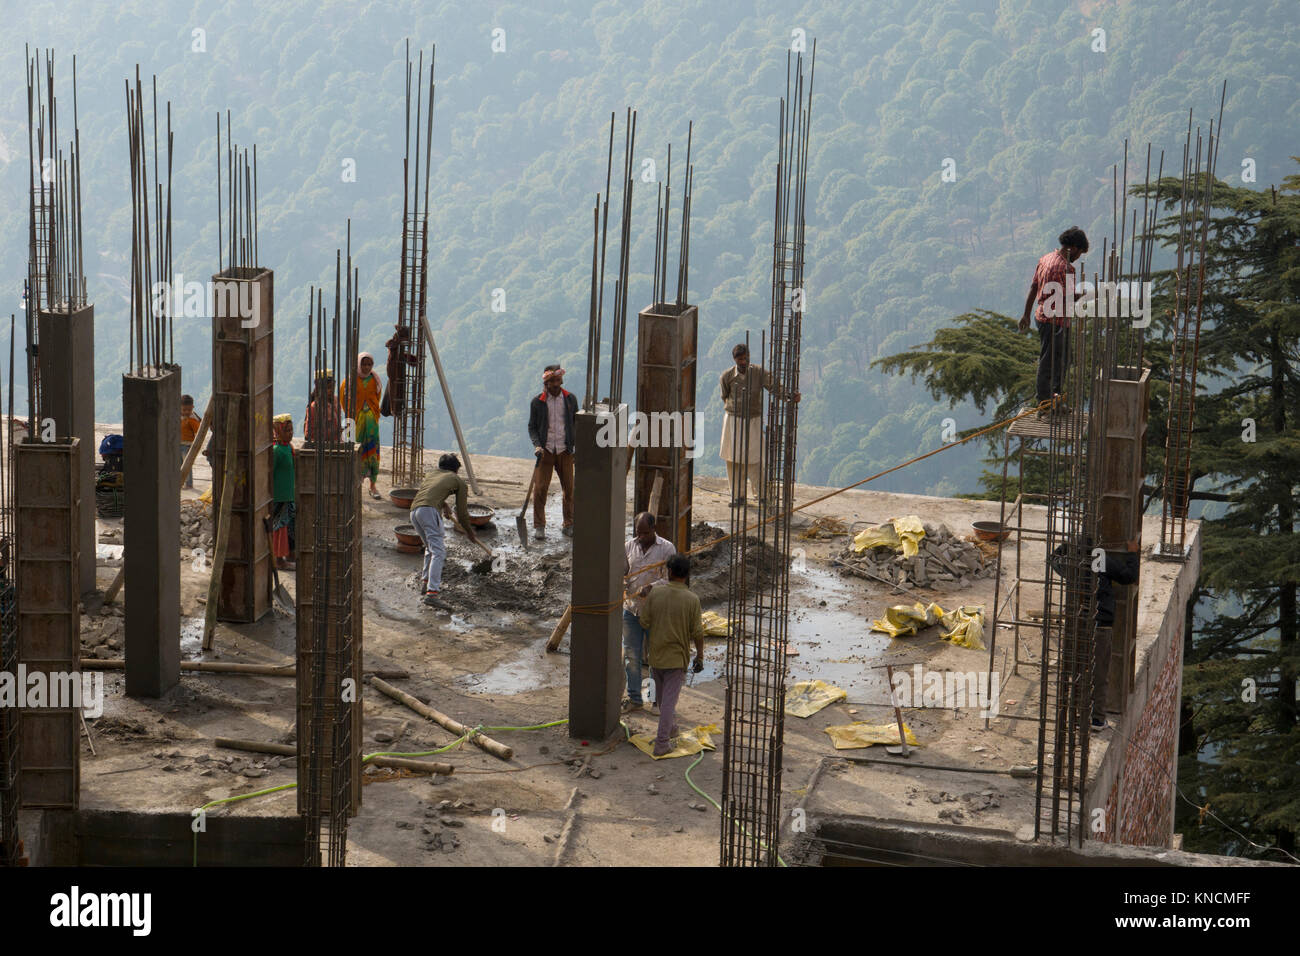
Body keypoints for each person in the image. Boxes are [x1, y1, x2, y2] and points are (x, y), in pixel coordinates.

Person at [1050, 533, 1140, 732]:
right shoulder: (1101, 560)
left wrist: (1065, 546)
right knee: (1099, 673)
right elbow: (1129, 577)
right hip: (1100, 625)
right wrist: (1132, 554)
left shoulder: (1070, 565)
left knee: (1075, 669)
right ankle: (1096, 719)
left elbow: (1053, 559)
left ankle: (1071, 715)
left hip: (1077, 623)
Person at [639, 553, 705, 757]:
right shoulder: (692, 599)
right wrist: (700, 657)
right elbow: (698, 633)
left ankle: (672, 728)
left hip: (656, 656)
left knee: (661, 698)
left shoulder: (656, 594)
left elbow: (644, 622)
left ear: (669, 572)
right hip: (676, 659)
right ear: (686, 575)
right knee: (668, 702)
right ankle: (662, 743)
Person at [1019, 226, 1090, 418]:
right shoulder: (1065, 268)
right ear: (1073, 247)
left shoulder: (1046, 259)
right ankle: (1045, 405)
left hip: (1043, 317)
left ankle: (1053, 402)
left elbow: (1034, 286)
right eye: (1079, 253)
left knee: (1059, 360)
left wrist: (1026, 314)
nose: (1078, 258)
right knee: (1051, 364)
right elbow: (1069, 297)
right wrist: (1088, 294)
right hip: (1055, 322)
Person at [719, 344, 799, 506]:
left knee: (755, 459)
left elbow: (775, 387)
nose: (743, 361)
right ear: (735, 360)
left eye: (745, 357)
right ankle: (738, 496)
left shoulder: (758, 372)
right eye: (740, 359)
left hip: (752, 420)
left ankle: (762, 495)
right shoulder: (727, 376)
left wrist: (789, 397)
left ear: (749, 356)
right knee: (733, 459)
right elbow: (725, 396)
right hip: (733, 420)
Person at [409, 453, 481, 611]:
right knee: (439, 552)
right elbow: (462, 512)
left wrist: (445, 506)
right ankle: (432, 594)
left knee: (430, 548)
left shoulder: (432, 474)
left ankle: (425, 583)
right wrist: (469, 531)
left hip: (414, 511)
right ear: (455, 470)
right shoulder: (458, 481)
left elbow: (432, 493)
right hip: (428, 512)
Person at [622, 512, 677, 714]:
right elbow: (624, 572)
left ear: (654, 529)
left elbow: (671, 579)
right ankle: (635, 698)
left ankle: (654, 700)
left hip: (656, 612)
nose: (641, 537)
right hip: (631, 609)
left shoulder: (667, 548)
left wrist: (651, 587)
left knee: (656, 658)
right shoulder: (629, 546)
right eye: (639, 533)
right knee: (631, 656)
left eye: (645, 533)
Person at [527, 364, 577, 540]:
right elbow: (532, 427)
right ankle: (539, 526)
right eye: (553, 381)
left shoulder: (570, 399)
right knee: (540, 489)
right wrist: (537, 445)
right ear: (546, 383)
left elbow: (575, 423)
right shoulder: (537, 402)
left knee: (569, 489)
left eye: (558, 380)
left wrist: (575, 447)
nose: (556, 384)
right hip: (545, 450)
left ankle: (568, 524)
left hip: (565, 450)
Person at [341, 353, 383, 499]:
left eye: (369, 364)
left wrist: (370, 413)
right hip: (353, 421)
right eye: (363, 364)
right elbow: (343, 399)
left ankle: (372, 486)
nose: (366, 367)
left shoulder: (375, 379)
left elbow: (377, 397)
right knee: (353, 450)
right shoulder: (350, 380)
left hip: (371, 422)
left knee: (372, 452)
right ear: (358, 364)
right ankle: (353, 485)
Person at [269, 414, 296, 570]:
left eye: (291, 430)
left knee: (288, 527)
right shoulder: (277, 450)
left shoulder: (287, 447)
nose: (290, 433)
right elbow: (270, 472)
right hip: (279, 495)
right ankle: (279, 560)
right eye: (287, 430)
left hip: (288, 494)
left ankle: (289, 555)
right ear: (278, 432)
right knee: (279, 528)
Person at [381, 325, 419, 418]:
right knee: (396, 389)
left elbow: (410, 360)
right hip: (394, 371)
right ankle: (395, 409)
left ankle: (395, 408)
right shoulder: (394, 345)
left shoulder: (396, 346)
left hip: (397, 371)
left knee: (398, 388)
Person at [304, 370, 342, 443]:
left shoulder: (336, 401)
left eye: (333, 387)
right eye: (328, 388)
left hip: (337, 444)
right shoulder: (314, 407)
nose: (331, 390)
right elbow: (308, 434)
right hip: (322, 447)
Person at [180, 394, 202, 489]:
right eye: (184, 410)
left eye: (189, 410)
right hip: (179, 444)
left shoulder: (193, 419)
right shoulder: (178, 416)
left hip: (188, 445)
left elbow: (198, 432)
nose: (187, 412)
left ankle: (189, 484)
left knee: (187, 465)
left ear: (192, 407)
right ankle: (181, 482)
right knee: (180, 464)